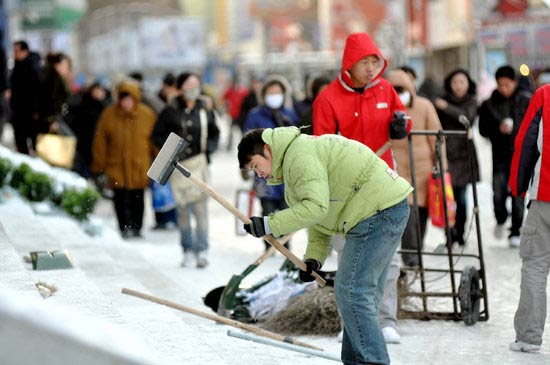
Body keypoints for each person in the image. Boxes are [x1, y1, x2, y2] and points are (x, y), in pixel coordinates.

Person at [238, 127, 413, 365]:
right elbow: (320, 218)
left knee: (352, 291)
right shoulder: (294, 165)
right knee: (359, 295)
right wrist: (314, 259)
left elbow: (315, 208)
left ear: (267, 150)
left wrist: (269, 224)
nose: (258, 174)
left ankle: (373, 361)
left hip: (378, 211)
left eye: (255, 166)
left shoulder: (299, 156)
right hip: (384, 208)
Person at [313, 32, 411, 344]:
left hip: (385, 185)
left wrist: (401, 126)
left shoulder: (384, 89)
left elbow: (402, 121)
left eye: (374, 61)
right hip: (348, 191)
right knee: (350, 258)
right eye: (363, 62)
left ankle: (385, 322)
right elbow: (321, 148)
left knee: (388, 258)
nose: (370, 68)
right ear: (348, 65)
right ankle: (351, 323)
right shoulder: (328, 99)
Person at [152, 72, 219, 268]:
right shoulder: (170, 110)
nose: (192, 88)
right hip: (178, 166)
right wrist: (170, 150)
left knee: (200, 209)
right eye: (188, 84)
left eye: (196, 84)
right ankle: (187, 248)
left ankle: (202, 249)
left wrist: (209, 151)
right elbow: (156, 135)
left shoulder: (205, 108)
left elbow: (215, 132)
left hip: (200, 164)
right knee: (182, 210)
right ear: (180, 87)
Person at [387, 69, 446, 267]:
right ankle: (411, 256)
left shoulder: (424, 106)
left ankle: (416, 251)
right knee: (408, 213)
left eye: (401, 89)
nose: (399, 93)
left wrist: (441, 164)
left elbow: (435, 136)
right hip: (398, 169)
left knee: (421, 214)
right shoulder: (386, 109)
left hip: (423, 169)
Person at [508, 84, 550, 353]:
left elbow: (525, 142)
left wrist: (518, 186)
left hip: (546, 195)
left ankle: (528, 337)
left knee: (535, 264)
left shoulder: (545, 95)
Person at [91, 80, 156, 239]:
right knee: (120, 198)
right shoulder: (109, 115)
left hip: (139, 165)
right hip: (116, 165)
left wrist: (159, 157)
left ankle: (137, 227)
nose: (127, 103)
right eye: (123, 99)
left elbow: (154, 140)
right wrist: (99, 165)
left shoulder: (146, 114)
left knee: (138, 197)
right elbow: (100, 142)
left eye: (130, 99)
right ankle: (124, 227)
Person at [478, 65, 531, 248]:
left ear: (514, 83)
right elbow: (482, 130)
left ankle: (515, 230)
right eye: (500, 84)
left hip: (521, 156)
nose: (503, 88)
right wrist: (497, 130)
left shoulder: (526, 100)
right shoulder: (489, 103)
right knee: (498, 193)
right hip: (499, 156)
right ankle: (501, 218)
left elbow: (533, 126)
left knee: (518, 196)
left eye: (507, 85)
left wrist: (514, 129)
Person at [243, 75, 297, 251]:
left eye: (278, 93)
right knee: (268, 209)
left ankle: (285, 246)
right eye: (271, 93)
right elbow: (247, 141)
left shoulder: (289, 115)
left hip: (287, 173)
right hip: (264, 174)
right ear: (264, 95)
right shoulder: (255, 116)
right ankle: (269, 245)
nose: (275, 96)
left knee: (286, 209)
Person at [434, 68, 480, 246]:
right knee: (447, 196)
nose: (458, 86)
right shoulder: (441, 101)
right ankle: (449, 234)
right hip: (446, 152)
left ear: (468, 83)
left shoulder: (471, 101)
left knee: (461, 197)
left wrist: (446, 107)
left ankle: (459, 232)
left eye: (462, 82)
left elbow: (467, 118)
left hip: (464, 153)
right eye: (455, 82)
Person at [8, 40, 40, 154]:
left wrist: (36, 110)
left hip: (29, 112)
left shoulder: (33, 66)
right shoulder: (17, 66)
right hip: (18, 111)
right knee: (20, 143)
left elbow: (37, 90)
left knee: (32, 142)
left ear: (25, 51)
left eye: (17, 51)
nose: (15, 54)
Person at [70, 81, 108, 178]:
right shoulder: (83, 103)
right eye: (97, 90)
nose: (99, 93)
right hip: (83, 141)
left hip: (96, 143)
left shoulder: (104, 106)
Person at [37, 52, 72, 136]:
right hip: (52, 120)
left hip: (57, 119)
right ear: (57, 65)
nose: (67, 68)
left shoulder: (58, 79)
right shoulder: (52, 79)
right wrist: (53, 121)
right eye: (65, 65)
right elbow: (48, 101)